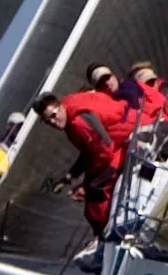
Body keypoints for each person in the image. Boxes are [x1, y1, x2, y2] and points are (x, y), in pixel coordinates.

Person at [36, 88, 128, 248]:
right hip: (120, 140)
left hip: (126, 141)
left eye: (53, 115)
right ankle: (105, 239)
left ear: (60, 106)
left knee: (95, 192)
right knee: (93, 189)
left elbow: (104, 152)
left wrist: (85, 184)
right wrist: (70, 176)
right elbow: (89, 150)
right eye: (47, 121)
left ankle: (108, 243)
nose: (52, 122)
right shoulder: (69, 111)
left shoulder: (78, 123)